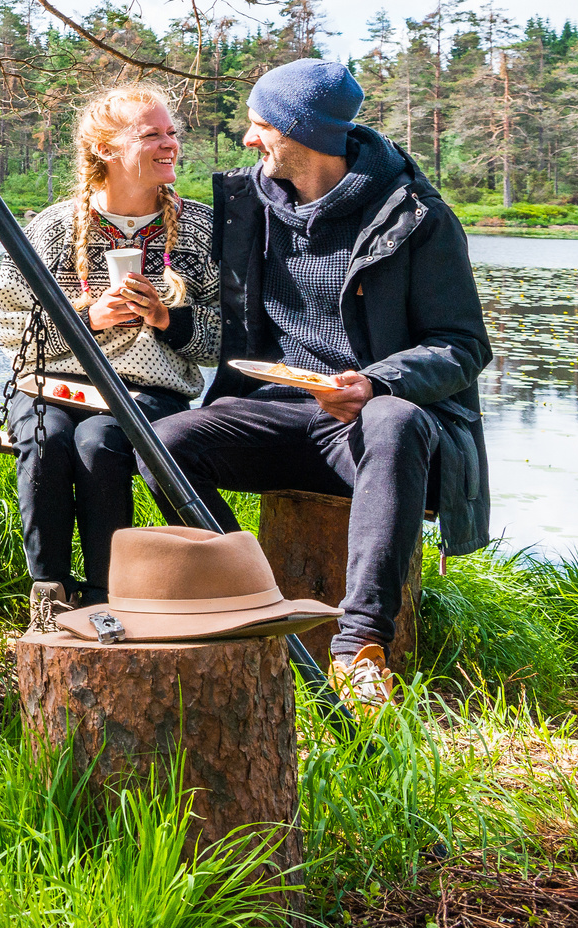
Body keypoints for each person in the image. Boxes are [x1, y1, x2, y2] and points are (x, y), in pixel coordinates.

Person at [143, 58, 491, 705]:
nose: (249, 140)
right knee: (158, 440)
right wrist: (165, 313)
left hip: (371, 432)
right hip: (277, 412)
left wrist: (376, 383)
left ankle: (357, 647)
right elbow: (220, 321)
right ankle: (254, 605)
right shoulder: (248, 206)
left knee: (395, 418)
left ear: (302, 133)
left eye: (259, 125)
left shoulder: (416, 216)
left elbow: (464, 346)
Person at [0, 82, 220, 620]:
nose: (170, 145)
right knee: (46, 440)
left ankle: (106, 597)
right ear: (105, 149)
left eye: (172, 133)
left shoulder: (203, 231)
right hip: (54, 382)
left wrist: (166, 318)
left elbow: (225, 337)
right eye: (151, 135)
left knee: (99, 443)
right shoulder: (51, 230)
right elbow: (9, 326)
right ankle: (48, 594)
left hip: (149, 390)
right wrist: (85, 321)